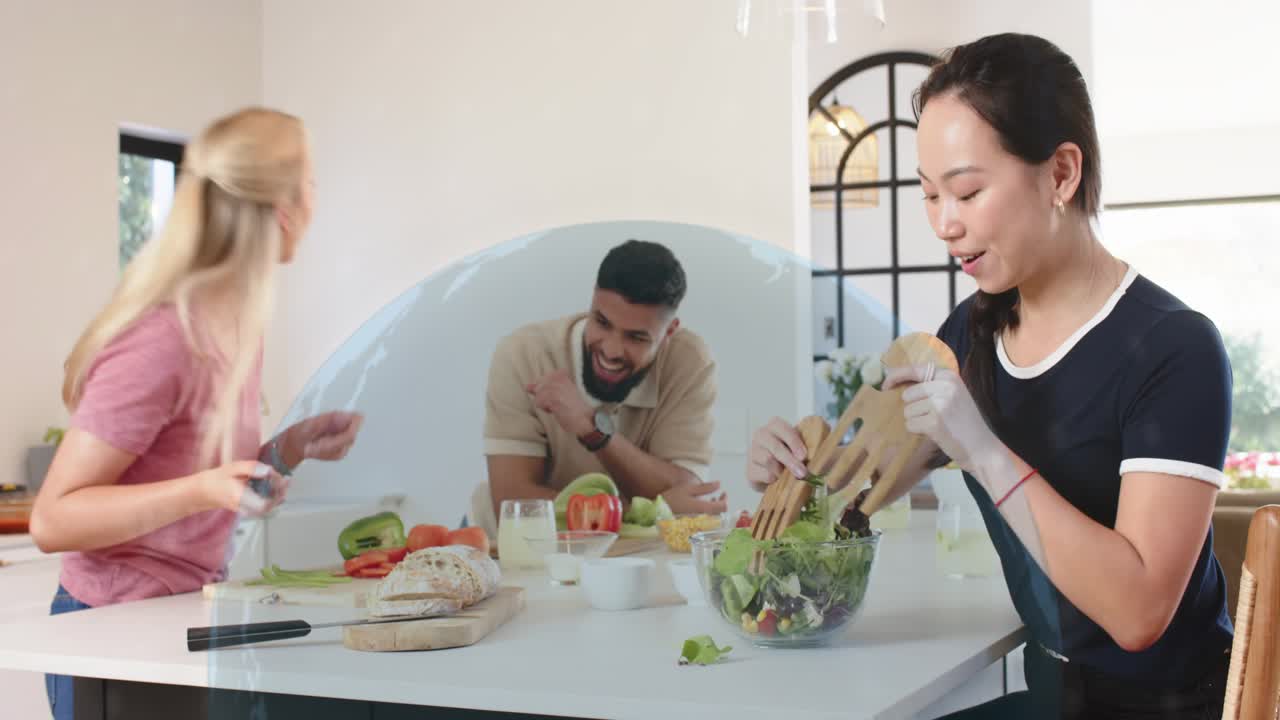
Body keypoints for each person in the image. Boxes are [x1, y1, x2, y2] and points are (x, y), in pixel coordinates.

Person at [748, 33, 1233, 719]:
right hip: (1049, 693)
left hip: (1169, 706)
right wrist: (794, 476)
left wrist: (980, 450)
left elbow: (1138, 613)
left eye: (968, 191)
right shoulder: (971, 332)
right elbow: (857, 487)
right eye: (928, 195)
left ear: (1061, 173)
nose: (945, 224)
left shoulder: (1174, 350)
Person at [30, 107, 364, 720]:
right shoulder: (165, 338)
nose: (318, 199)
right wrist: (203, 488)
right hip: (112, 631)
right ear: (283, 209)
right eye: (312, 181)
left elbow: (196, 477)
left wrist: (286, 450)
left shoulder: (234, 326)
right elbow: (53, 520)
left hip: (174, 617)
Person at [477, 239, 727, 532]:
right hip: (514, 544)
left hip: (627, 550)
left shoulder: (690, 362)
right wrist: (646, 512)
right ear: (591, 303)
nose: (611, 350)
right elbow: (514, 504)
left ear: (669, 331)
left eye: (636, 337)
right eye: (602, 322)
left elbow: (687, 490)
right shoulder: (523, 353)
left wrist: (593, 430)